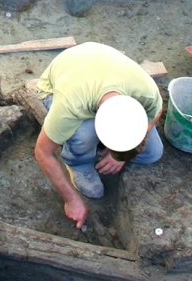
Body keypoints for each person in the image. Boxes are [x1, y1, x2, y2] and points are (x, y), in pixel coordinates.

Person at [32, 42, 165, 230]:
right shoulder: (70, 105)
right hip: (65, 75)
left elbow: (156, 114)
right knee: (84, 134)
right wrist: (71, 200)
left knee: (153, 153)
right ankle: (77, 162)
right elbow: (42, 152)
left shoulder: (146, 92)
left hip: (100, 66)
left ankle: (101, 150)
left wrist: (118, 157)